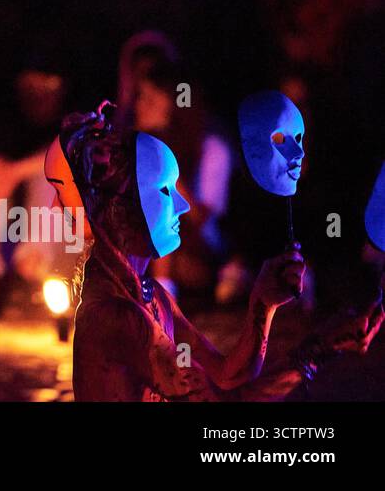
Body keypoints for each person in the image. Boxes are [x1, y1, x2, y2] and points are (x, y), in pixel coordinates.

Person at [63, 105, 383, 401]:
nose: (183, 205)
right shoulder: (116, 316)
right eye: (165, 190)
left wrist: (263, 302)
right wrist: (321, 348)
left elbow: (229, 376)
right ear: (120, 208)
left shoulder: (153, 296)